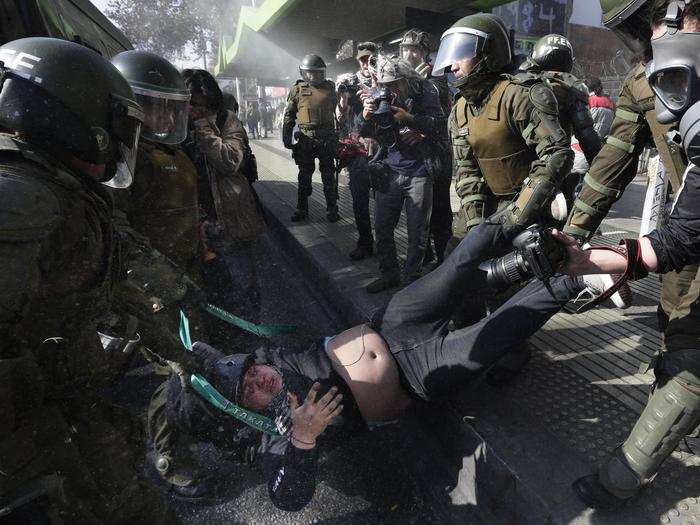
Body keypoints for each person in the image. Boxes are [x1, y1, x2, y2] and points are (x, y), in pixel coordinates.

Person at [151, 215, 626, 510]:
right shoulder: (275, 434)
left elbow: (202, 347)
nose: (258, 376)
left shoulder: (261, 361)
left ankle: (547, 233)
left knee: (471, 248)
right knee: (507, 326)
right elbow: (287, 496)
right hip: (422, 374)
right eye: (248, 389)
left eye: (248, 368)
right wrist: (302, 438)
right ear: (241, 412)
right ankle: (615, 264)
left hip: (394, 323)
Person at [0, 37, 175, 522]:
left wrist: (179, 346)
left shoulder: (59, 187)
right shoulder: (24, 201)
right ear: (72, 120)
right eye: (118, 124)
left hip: (66, 417)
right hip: (34, 451)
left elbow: (109, 276)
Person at [556, 0, 700, 509]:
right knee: (676, 335)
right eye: (637, 32)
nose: (650, 40)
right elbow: (611, 164)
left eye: (654, 23)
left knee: (690, 359)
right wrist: (571, 237)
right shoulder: (646, 80)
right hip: (690, 240)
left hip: (686, 235)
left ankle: (625, 476)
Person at [432, 13, 574, 330]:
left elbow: (555, 155)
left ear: (488, 53)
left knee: (508, 292)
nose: (451, 65)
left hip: (524, 207)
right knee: (455, 271)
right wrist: (475, 226)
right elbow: (467, 173)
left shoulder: (521, 93)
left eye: (461, 53)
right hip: (487, 209)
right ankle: (463, 338)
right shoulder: (460, 108)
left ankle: (510, 352)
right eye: (449, 55)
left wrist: (516, 217)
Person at [182, 69, 266, 325]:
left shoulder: (225, 121)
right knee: (203, 295)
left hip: (229, 222)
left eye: (201, 105)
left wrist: (203, 128)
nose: (194, 110)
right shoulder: (172, 126)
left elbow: (230, 161)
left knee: (243, 287)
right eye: (190, 104)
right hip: (191, 225)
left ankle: (253, 336)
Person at [357, 55, 446, 293]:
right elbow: (362, 132)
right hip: (389, 170)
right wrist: (365, 115)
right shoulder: (379, 93)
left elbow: (442, 124)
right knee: (383, 227)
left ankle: (411, 278)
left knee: (418, 232)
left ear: (406, 80)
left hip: (419, 171)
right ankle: (389, 274)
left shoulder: (425, 90)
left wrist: (411, 120)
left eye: (395, 83)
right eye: (385, 84)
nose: (390, 89)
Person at [399, 28, 454, 266]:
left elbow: (448, 121)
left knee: (440, 213)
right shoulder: (400, 77)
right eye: (406, 49)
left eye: (414, 49)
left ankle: (443, 261)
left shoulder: (437, 77)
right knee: (420, 215)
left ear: (425, 53)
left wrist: (420, 129)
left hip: (436, 155)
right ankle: (426, 255)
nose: (409, 54)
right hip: (413, 159)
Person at [283, 54, 340, 223]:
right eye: (310, 73)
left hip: (326, 140)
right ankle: (302, 209)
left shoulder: (330, 87)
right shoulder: (297, 90)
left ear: (322, 73)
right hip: (306, 139)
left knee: (328, 177)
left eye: (317, 73)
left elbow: (338, 111)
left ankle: (332, 210)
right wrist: (286, 138)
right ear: (304, 73)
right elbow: (289, 116)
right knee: (304, 177)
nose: (313, 76)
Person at [337, 41, 379, 260]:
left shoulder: (387, 78)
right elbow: (341, 116)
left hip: (384, 150)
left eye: (370, 59)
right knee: (359, 201)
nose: (366, 64)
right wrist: (342, 97)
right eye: (362, 60)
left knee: (385, 203)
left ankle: (385, 243)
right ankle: (365, 243)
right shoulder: (350, 82)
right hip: (359, 149)